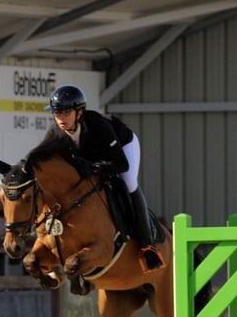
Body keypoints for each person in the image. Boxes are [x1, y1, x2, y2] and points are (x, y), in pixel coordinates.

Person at [43, 84, 165, 273]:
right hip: (92, 158)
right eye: (57, 113)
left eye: (66, 112)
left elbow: (120, 164)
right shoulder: (55, 133)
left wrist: (95, 168)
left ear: (80, 112)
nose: (61, 118)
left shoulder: (99, 126)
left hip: (122, 148)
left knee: (129, 182)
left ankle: (147, 245)